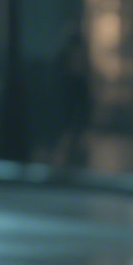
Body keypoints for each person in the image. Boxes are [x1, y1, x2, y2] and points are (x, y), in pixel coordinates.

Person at [53, 28, 91, 167]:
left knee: (77, 127)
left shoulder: (82, 59)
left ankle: (76, 153)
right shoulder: (63, 57)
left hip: (77, 91)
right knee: (69, 126)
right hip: (69, 91)